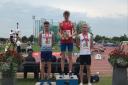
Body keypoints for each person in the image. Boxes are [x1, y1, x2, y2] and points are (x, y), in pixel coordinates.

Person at [58, 10, 75, 78]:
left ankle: (70, 71)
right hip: (63, 41)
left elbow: (75, 31)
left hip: (70, 41)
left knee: (70, 57)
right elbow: (59, 32)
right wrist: (61, 36)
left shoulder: (72, 23)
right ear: (63, 15)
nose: (66, 16)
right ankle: (62, 72)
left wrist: (71, 35)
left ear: (69, 15)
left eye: (67, 14)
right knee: (62, 57)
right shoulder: (61, 23)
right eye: (65, 14)